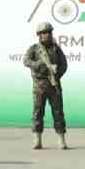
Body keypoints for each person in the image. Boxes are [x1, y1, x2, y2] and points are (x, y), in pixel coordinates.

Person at [23, 22, 68, 150]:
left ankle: (61, 139)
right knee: (38, 112)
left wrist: (56, 72)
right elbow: (26, 61)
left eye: (49, 32)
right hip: (39, 85)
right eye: (44, 33)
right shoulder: (34, 49)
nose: (47, 35)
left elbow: (64, 64)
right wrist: (39, 65)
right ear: (39, 35)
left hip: (54, 85)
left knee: (58, 113)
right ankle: (37, 139)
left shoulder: (56, 49)